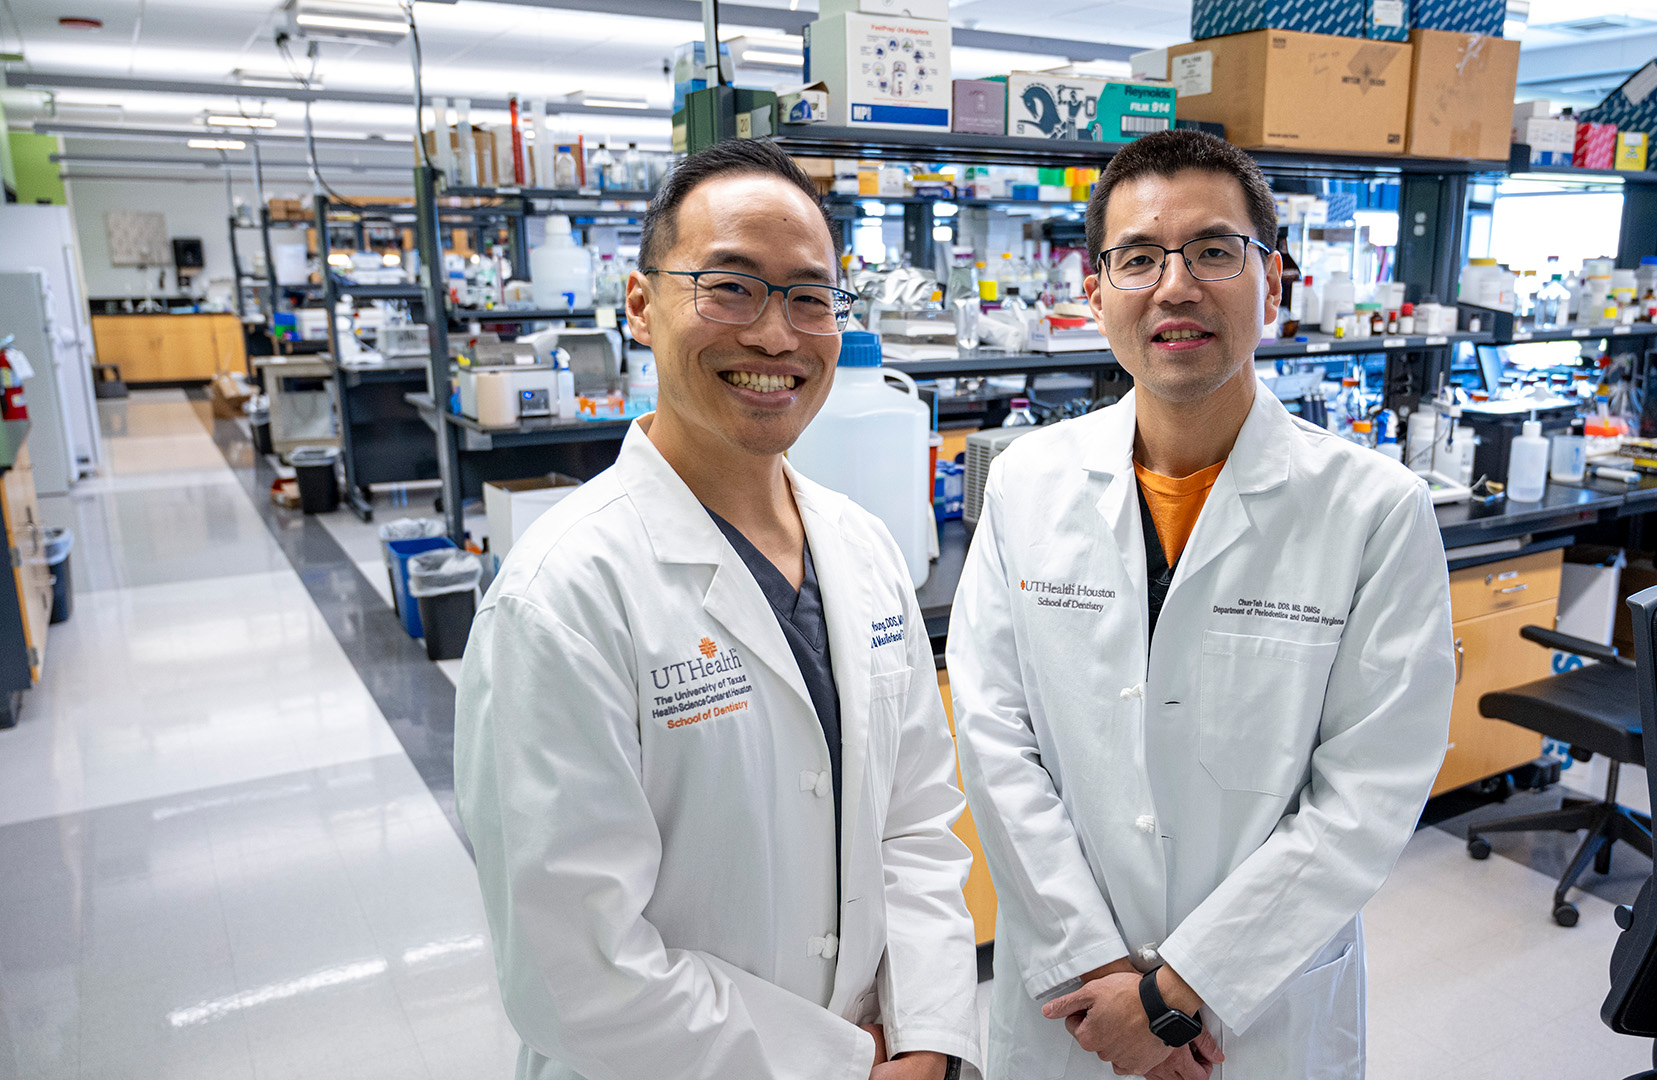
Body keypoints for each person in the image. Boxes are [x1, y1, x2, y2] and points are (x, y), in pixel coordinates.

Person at [455, 138, 980, 1080]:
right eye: (730, 287)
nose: (776, 336)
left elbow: (916, 824)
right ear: (641, 304)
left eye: (809, 296)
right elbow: (571, 966)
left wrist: (934, 1035)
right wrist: (835, 1064)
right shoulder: (563, 598)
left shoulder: (863, 549)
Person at [948, 129, 1454, 1080]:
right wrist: (1106, 978)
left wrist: (1178, 996)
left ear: (1277, 280)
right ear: (1095, 290)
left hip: (1254, 1011)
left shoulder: (1375, 511)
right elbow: (992, 738)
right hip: (1073, 1002)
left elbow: (1368, 793)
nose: (1174, 287)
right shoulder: (1027, 484)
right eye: (1138, 258)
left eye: (1214, 251)